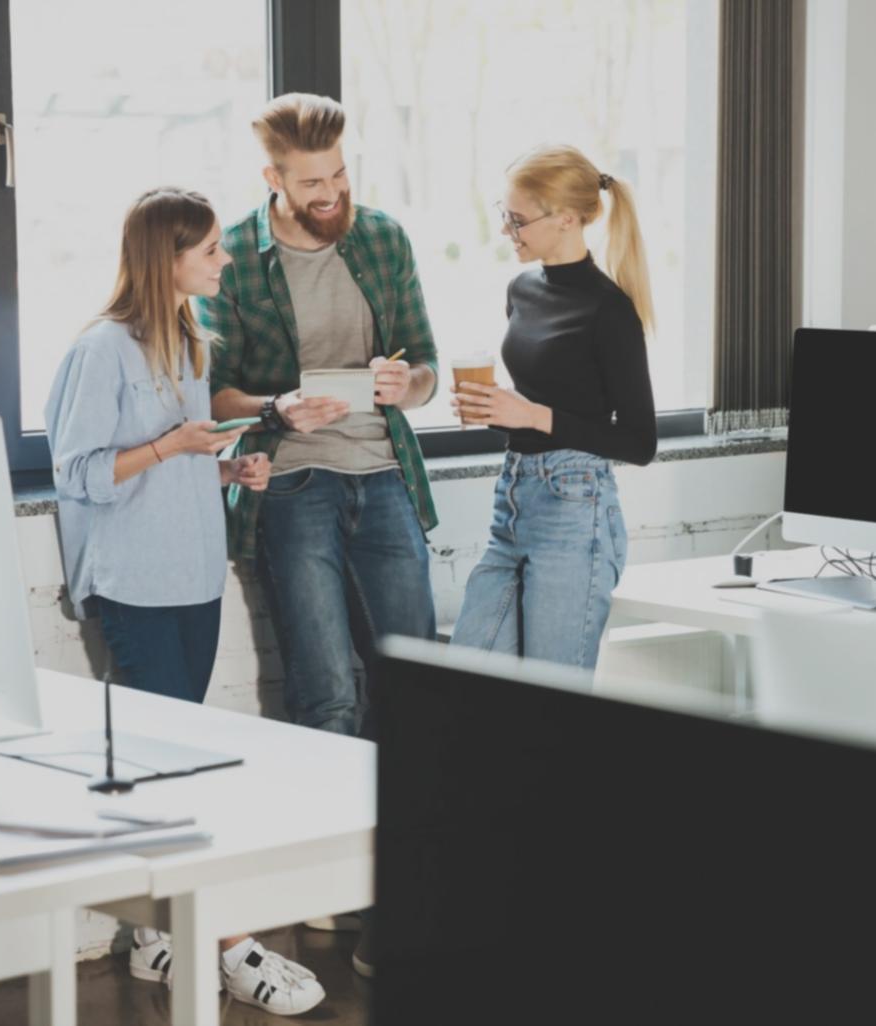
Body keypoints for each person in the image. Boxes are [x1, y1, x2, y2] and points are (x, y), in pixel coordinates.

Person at [45, 186, 324, 1016]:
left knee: (173, 765)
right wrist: (171, 444)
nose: (224, 259)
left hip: (195, 577)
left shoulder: (195, 343)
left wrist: (228, 468)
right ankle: (226, 941)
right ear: (165, 258)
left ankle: (159, 941)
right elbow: (78, 473)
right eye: (209, 251)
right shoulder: (100, 350)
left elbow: (176, 463)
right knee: (168, 771)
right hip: (133, 582)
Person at [198, 92, 441, 980]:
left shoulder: (380, 238)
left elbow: (426, 370)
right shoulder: (233, 258)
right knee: (327, 694)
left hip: (383, 481)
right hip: (292, 485)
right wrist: (275, 406)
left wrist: (399, 382)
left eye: (340, 173)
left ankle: (402, 903)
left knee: (411, 687)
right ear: (273, 180)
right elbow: (211, 392)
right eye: (312, 181)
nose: (332, 192)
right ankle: (334, 888)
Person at [449, 145, 657, 670]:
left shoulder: (609, 311)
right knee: (464, 676)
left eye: (518, 221)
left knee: (552, 705)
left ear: (566, 219)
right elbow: (542, 394)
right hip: (514, 497)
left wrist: (533, 416)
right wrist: (494, 409)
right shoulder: (521, 288)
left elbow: (639, 442)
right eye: (505, 216)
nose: (507, 232)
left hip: (576, 508)